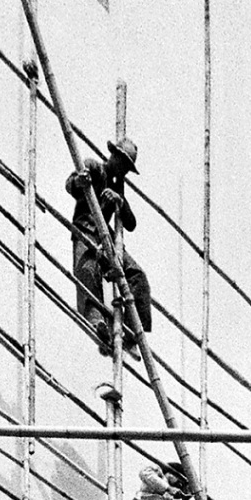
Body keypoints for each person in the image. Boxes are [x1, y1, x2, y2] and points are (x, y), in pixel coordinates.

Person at [65, 136, 152, 356]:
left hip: (109, 239)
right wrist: (80, 182)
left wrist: (120, 202)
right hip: (86, 229)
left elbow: (130, 224)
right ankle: (98, 326)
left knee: (137, 275)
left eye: (127, 167)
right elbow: (70, 184)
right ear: (113, 156)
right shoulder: (95, 168)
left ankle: (133, 333)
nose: (123, 170)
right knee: (87, 270)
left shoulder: (117, 186)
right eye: (122, 163)